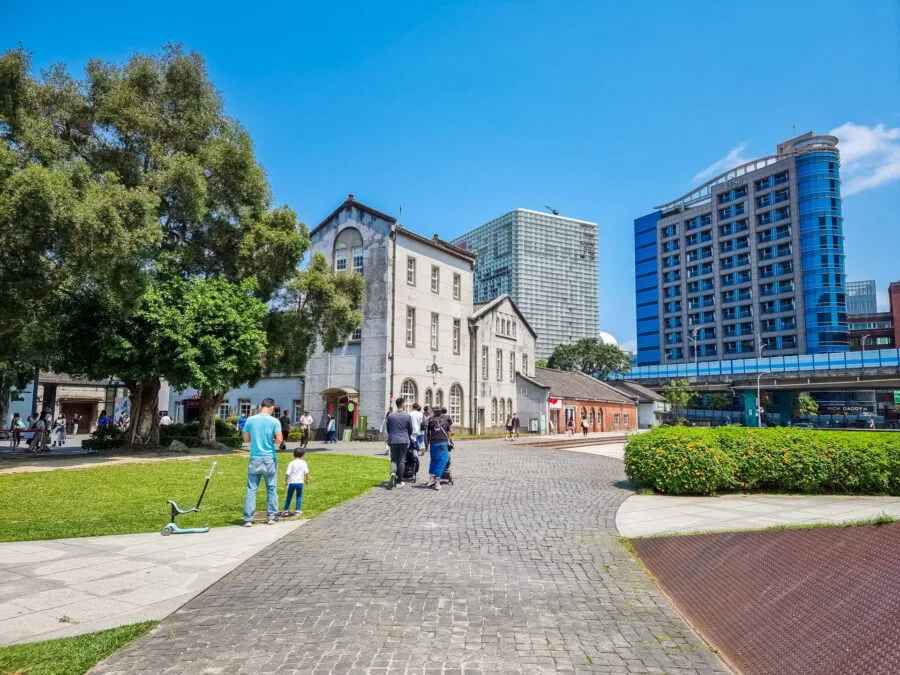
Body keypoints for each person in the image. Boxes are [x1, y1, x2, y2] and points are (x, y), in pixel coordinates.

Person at [241, 397, 282, 527]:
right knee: (271, 488)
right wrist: (272, 442)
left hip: (255, 457)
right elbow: (279, 439)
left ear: (260, 406)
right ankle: (272, 516)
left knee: (251, 488)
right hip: (269, 457)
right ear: (272, 407)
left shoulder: (250, 420)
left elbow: (246, 439)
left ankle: (248, 518)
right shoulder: (274, 421)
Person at [385, 397, 413, 490]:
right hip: (404, 440)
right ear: (403, 404)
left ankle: (393, 473)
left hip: (393, 440)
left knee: (393, 459)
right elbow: (410, 430)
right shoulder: (407, 416)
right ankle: (399, 480)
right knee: (401, 460)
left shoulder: (390, 416)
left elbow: (388, 429)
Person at [424, 407, 452, 491]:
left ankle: (432, 478)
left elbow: (424, 426)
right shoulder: (445, 420)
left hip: (433, 443)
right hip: (442, 443)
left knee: (433, 460)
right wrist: (450, 440)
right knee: (441, 462)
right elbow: (449, 430)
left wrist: (427, 444)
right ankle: (437, 482)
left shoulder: (431, 421)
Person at [282, 449, 309, 517]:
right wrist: (306, 479)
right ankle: (297, 510)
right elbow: (306, 472)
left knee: (289, 496)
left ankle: (286, 510)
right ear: (303, 455)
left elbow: (288, 473)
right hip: (300, 482)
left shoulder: (292, 463)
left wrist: (286, 481)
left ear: (293, 454)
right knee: (299, 496)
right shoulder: (303, 462)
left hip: (292, 482)